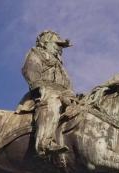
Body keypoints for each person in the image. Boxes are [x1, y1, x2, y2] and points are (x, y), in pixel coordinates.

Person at [22, 30, 73, 159]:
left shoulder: (60, 65)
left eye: (61, 46)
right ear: (46, 43)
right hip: (44, 94)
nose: (59, 49)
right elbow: (30, 72)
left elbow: (67, 84)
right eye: (57, 45)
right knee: (52, 103)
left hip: (64, 94)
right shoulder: (37, 54)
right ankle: (44, 143)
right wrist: (42, 89)